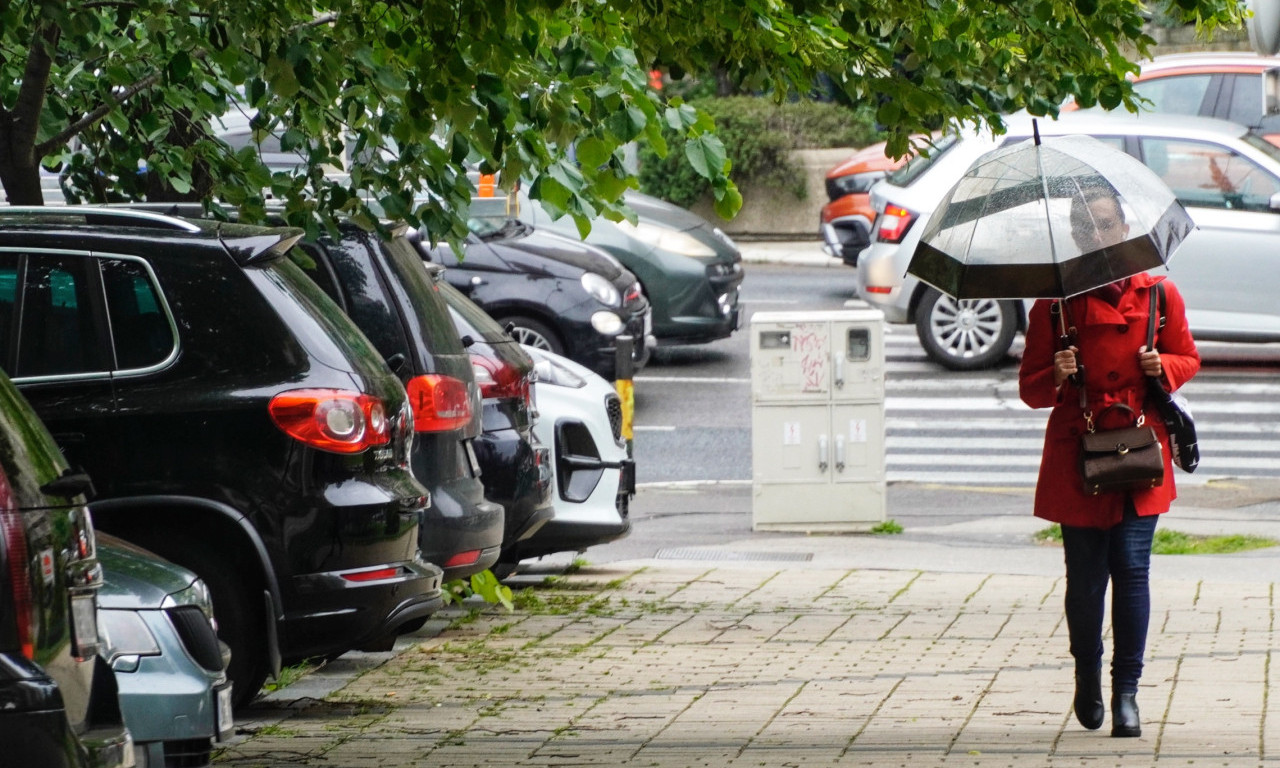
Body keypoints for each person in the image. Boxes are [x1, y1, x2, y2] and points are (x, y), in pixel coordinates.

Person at [1018, 184, 1200, 738]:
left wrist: (1162, 367)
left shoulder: (1160, 294)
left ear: (1124, 227)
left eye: (1106, 223)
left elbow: (1188, 357)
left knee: (1133, 570)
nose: (1098, 234)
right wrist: (1058, 374)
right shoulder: (1056, 305)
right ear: (1076, 236)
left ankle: (1127, 693)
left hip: (1140, 453)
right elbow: (1029, 388)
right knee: (1085, 580)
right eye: (1087, 226)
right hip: (1080, 456)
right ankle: (1087, 675)